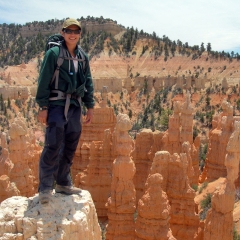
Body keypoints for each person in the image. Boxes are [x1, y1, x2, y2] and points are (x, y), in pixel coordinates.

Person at [36, 18, 94, 204]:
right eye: (69, 30)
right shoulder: (54, 54)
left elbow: (88, 82)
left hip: (75, 106)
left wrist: (89, 106)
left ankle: (63, 182)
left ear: (80, 34)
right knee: (53, 144)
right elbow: (44, 79)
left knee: (70, 144)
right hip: (56, 104)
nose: (72, 34)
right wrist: (43, 106)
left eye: (76, 31)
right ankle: (45, 187)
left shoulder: (83, 57)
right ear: (62, 32)